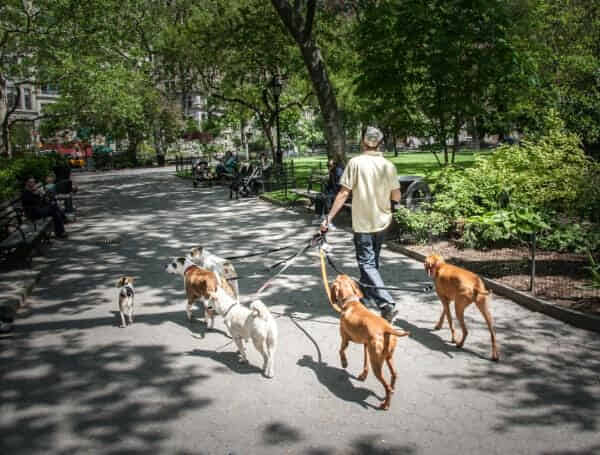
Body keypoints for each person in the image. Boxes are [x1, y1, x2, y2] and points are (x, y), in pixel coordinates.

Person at [320, 126, 401, 322]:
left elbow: (343, 193)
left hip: (363, 223)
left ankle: (387, 304)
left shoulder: (355, 163)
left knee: (367, 263)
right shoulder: (388, 165)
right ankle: (366, 296)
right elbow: (396, 195)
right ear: (380, 143)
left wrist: (328, 218)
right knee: (372, 264)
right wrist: (390, 207)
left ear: (364, 142)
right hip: (382, 222)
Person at [313, 159, 345, 230]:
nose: (328, 167)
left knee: (327, 198)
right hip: (332, 191)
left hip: (339, 192)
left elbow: (339, 185)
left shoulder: (338, 172)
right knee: (319, 196)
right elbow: (330, 184)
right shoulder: (332, 171)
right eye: (327, 165)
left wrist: (331, 191)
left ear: (334, 165)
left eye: (329, 165)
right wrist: (325, 190)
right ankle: (319, 216)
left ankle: (328, 221)